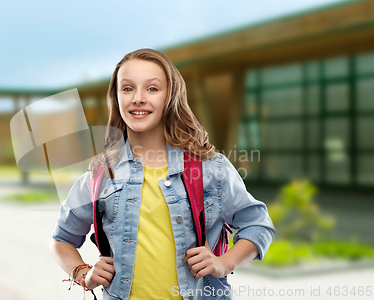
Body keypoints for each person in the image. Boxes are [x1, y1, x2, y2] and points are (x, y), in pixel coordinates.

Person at [50, 48, 276, 300]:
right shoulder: (101, 175)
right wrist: (83, 274)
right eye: (127, 88)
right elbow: (61, 240)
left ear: (171, 96)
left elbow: (258, 225)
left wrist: (224, 263)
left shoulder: (211, 168)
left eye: (152, 88)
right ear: (115, 98)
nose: (138, 98)